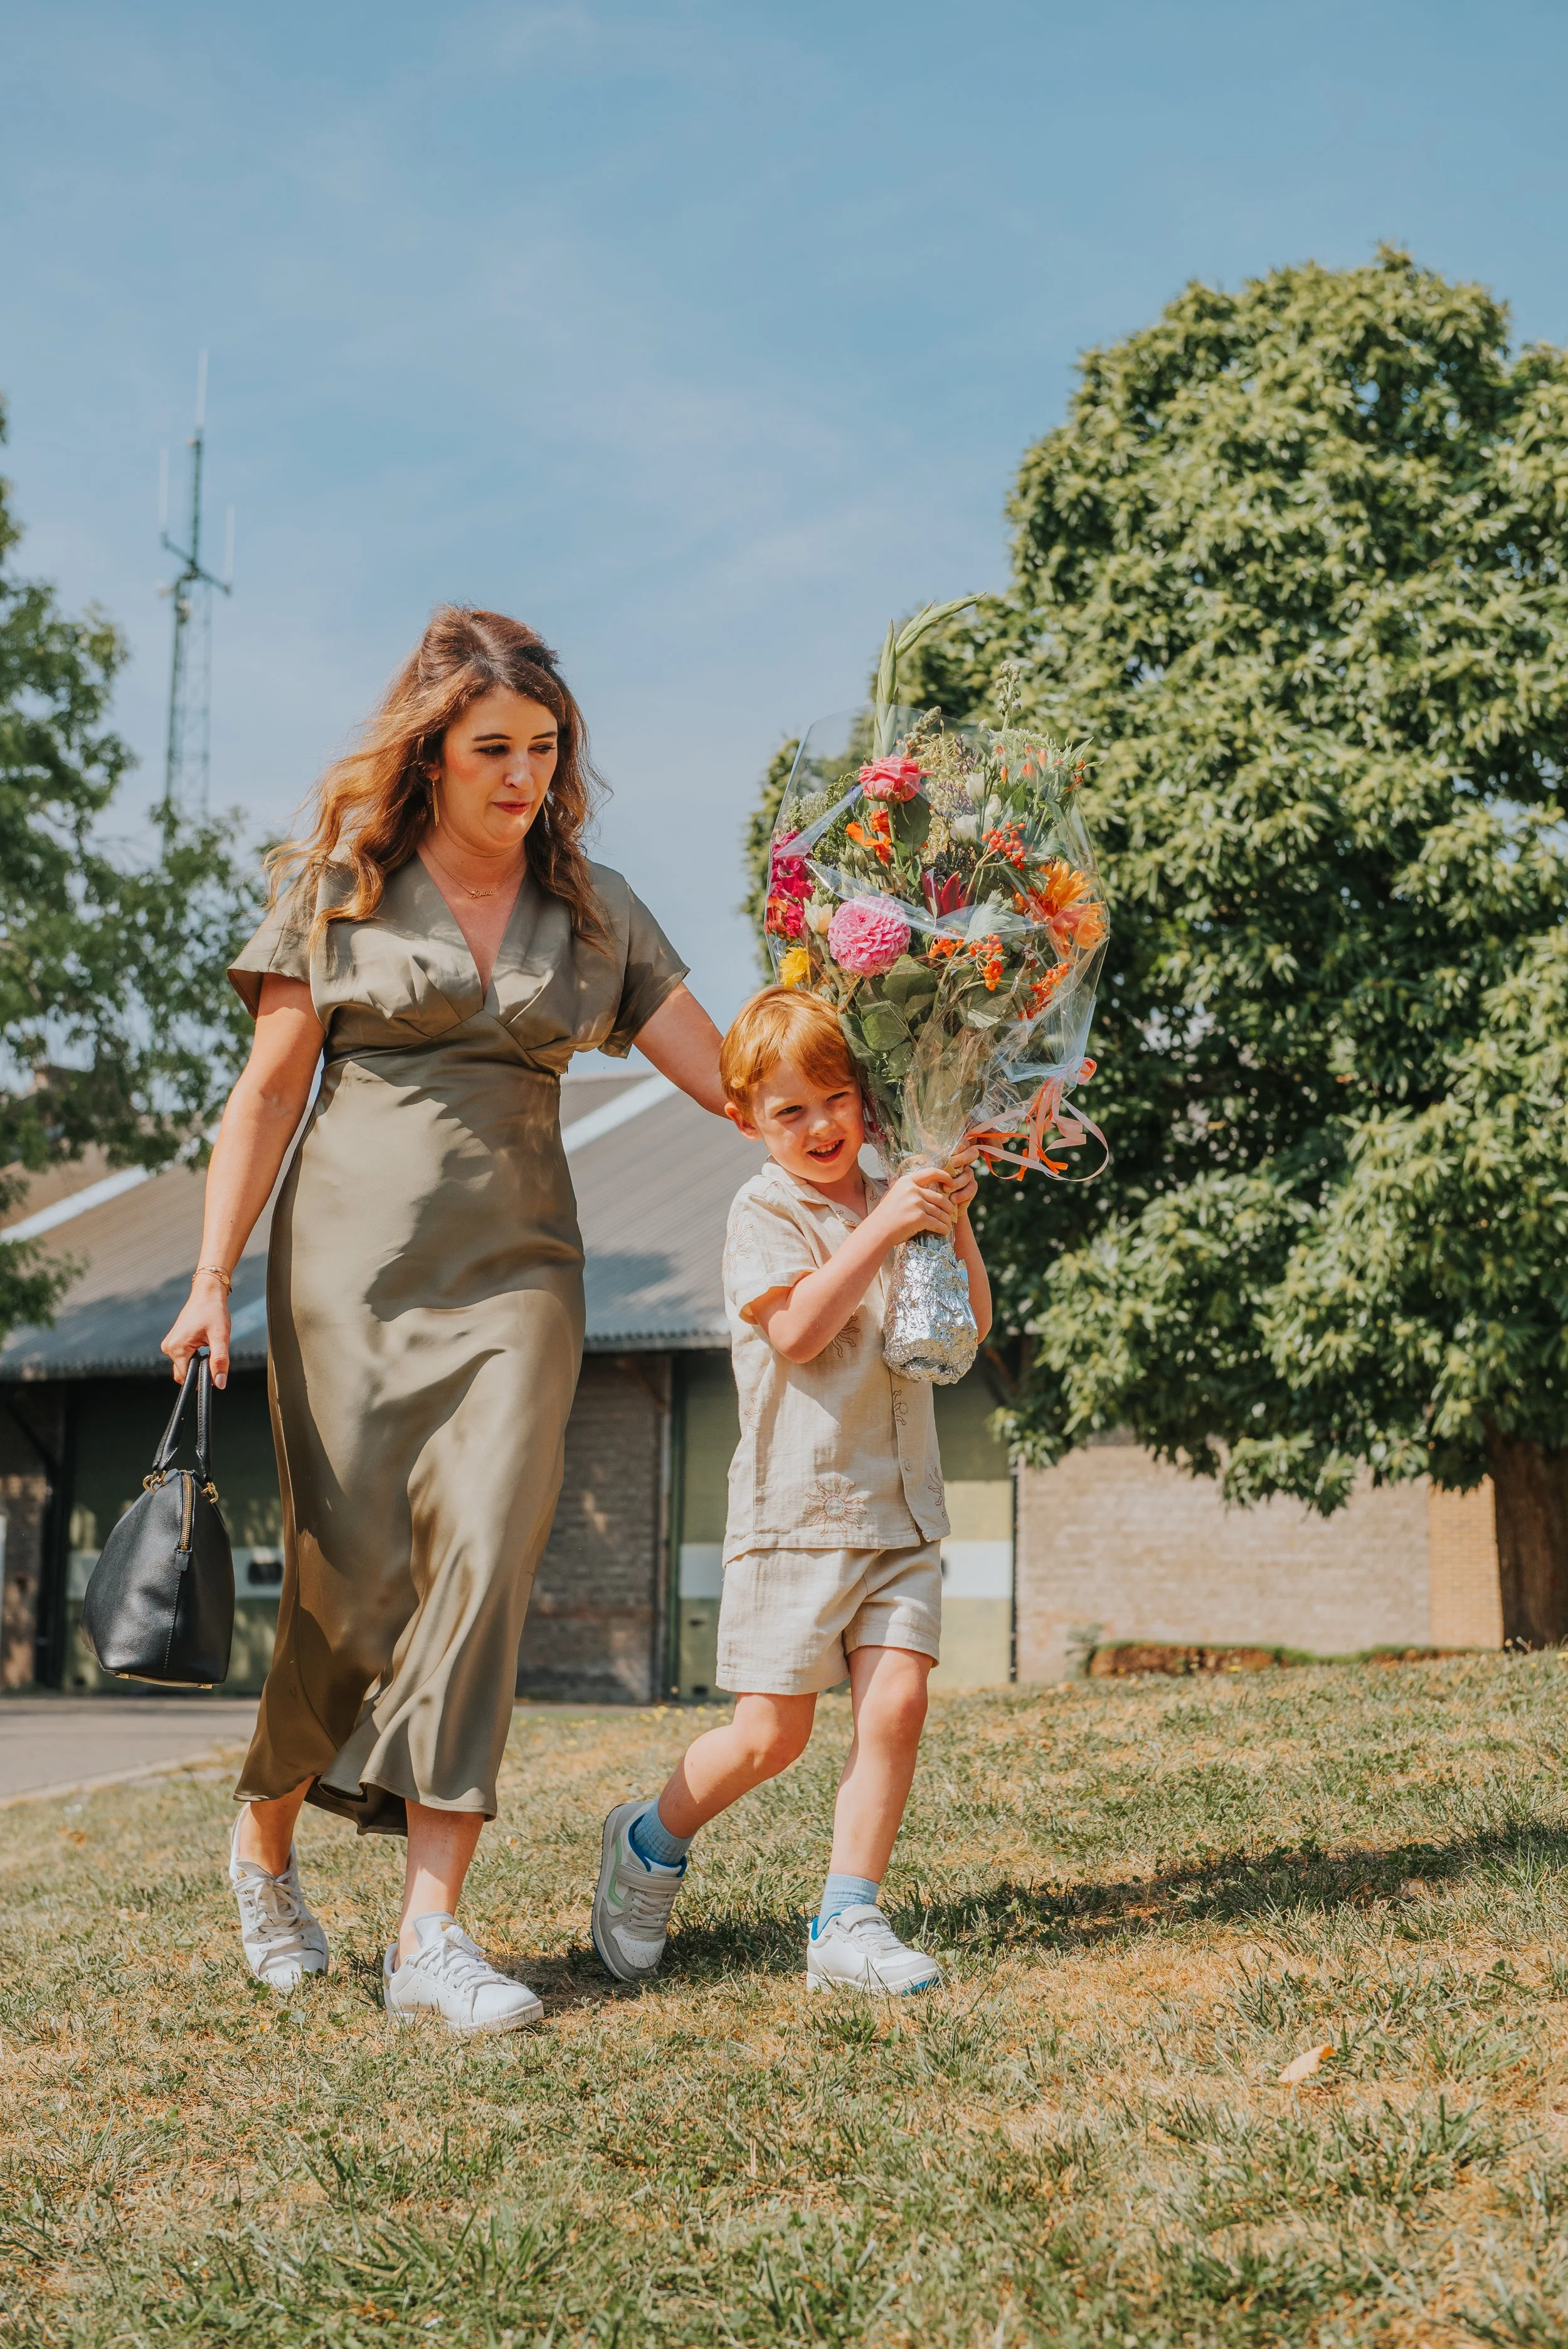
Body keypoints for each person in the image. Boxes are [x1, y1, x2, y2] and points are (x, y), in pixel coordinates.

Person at [161, 606, 724, 2035]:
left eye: (544, 748)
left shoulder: (595, 909)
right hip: (346, 1272)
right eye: (493, 750)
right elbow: (267, 1095)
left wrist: (902, 1108)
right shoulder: (341, 887)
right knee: (348, 1591)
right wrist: (209, 1276)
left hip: (521, 1273)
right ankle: (264, 1847)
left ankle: (430, 1935)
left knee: (485, 1553)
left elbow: (736, 1082)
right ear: (431, 752)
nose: (524, 775)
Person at [591, 986, 991, 1994]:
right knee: (770, 1736)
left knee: (897, 1704)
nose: (821, 1126)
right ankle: (647, 1841)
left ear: (866, 1098)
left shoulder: (897, 1192)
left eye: (837, 1098)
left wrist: (951, 1221)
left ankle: (847, 1917)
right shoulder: (765, 1211)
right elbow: (801, 1332)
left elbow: (969, 1331)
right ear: (746, 1121)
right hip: (800, 1514)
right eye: (791, 1110)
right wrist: (883, 1227)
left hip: (903, 1509)